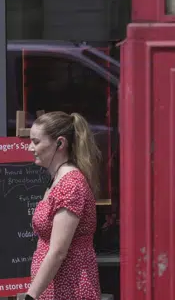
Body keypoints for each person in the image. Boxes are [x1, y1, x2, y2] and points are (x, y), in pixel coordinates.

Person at [25, 111, 102, 300]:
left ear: (60, 143)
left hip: (69, 288)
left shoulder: (70, 185)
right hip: (53, 288)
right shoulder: (57, 180)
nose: (30, 147)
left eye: (36, 142)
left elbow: (58, 251)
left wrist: (30, 296)